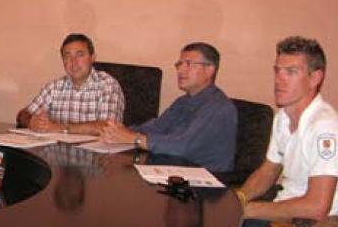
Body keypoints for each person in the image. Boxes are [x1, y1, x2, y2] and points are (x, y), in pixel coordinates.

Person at [237, 36, 338, 226]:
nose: (279, 80)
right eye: (277, 70)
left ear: (315, 78)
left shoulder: (324, 127)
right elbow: (268, 172)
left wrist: (247, 210)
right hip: (283, 214)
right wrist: (238, 198)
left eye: (291, 72)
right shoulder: (283, 117)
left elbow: (317, 208)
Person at [100, 42, 237, 172]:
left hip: (205, 179)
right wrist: (119, 131)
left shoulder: (218, 107)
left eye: (189, 64)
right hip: (175, 169)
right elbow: (155, 128)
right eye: (179, 64)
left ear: (210, 70)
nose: (180, 70)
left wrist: (134, 138)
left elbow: (182, 147)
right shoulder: (183, 101)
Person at [17, 33, 124, 136]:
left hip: (96, 149)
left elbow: (109, 127)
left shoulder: (108, 85)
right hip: (57, 148)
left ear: (92, 58)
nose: (73, 62)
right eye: (67, 56)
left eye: (80, 55)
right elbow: (22, 115)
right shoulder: (54, 87)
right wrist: (31, 122)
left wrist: (60, 128)